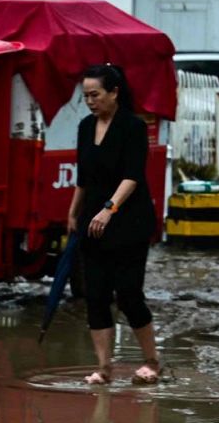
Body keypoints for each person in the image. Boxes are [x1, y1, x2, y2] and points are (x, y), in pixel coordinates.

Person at [67, 64, 161, 386]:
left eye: (95, 95)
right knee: (95, 294)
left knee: (129, 294)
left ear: (114, 92)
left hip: (128, 221)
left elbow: (132, 176)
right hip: (92, 222)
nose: (91, 101)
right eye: (86, 96)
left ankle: (151, 360)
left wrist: (110, 209)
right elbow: (84, 176)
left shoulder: (133, 127)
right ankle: (103, 367)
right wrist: (73, 212)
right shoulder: (84, 126)